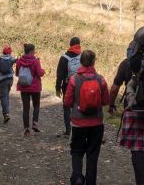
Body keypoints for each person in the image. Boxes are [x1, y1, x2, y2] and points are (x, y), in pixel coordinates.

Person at [109, 47, 144, 185]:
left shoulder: (127, 64)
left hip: (134, 112)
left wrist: (111, 104)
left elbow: (115, 87)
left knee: (137, 150)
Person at [63, 49, 109, 185]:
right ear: (94, 62)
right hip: (97, 123)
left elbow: (67, 102)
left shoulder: (74, 79)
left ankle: (77, 177)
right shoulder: (101, 79)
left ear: (81, 61)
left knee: (77, 151)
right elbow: (106, 101)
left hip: (78, 123)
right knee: (92, 155)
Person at [15, 43, 45, 136]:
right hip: (35, 87)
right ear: (32, 51)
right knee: (36, 105)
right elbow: (40, 73)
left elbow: (17, 73)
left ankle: (26, 129)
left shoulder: (19, 61)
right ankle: (35, 123)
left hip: (23, 87)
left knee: (26, 108)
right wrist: (44, 71)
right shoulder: (36, 61)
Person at [56, 36, 82, 136]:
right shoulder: (83, 56)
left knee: (67, 107)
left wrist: (58, 88)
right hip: (80, 85)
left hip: (67, 85)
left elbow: (59, 75)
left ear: (70, 45)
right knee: (79, 106)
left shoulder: (64, 57)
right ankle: (78, 129)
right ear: (79, 44)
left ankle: (68, 130)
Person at [0, 45, 17, 123]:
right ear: (10, 53)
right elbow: (17, 60)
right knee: (6, 96)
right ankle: (6, 112)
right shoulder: (11, 59)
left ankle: (6, 114)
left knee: (4, 97)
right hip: (10, 80)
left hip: (2, 81)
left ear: (3, 52)